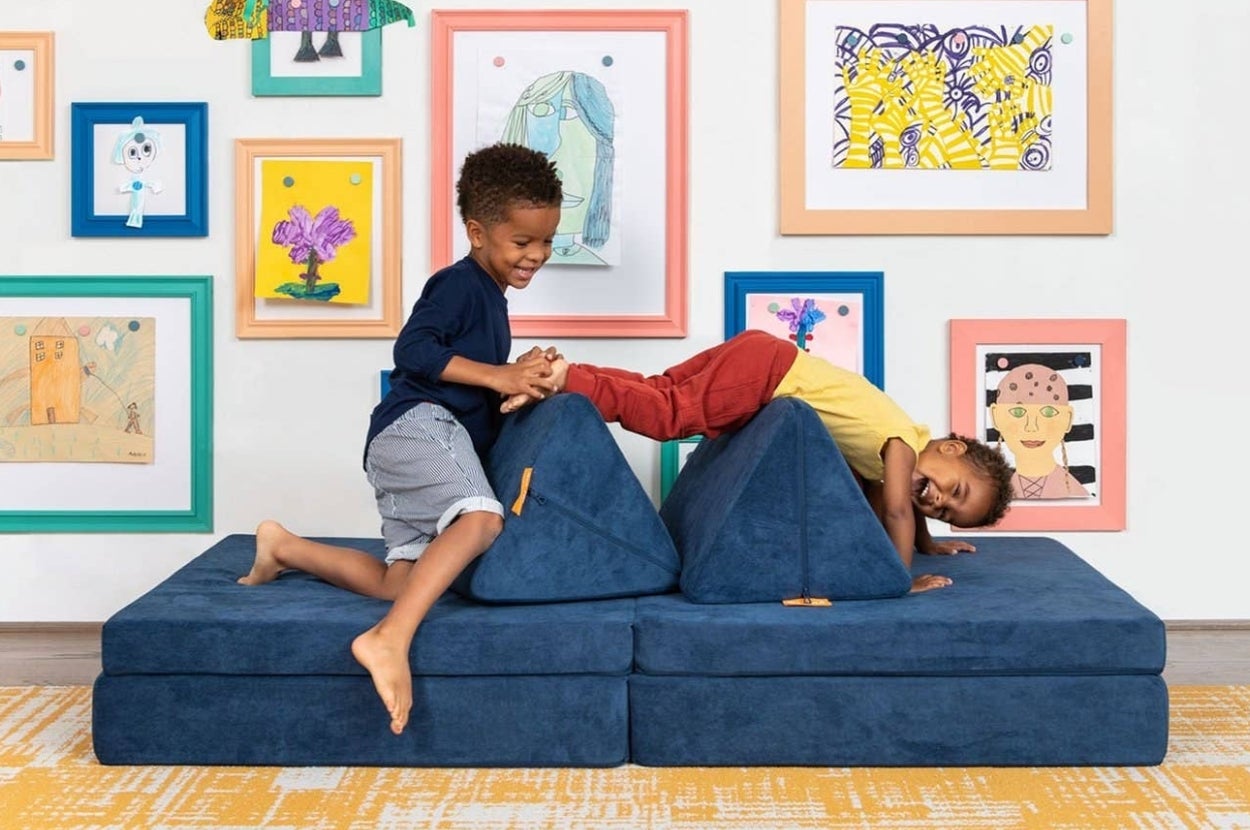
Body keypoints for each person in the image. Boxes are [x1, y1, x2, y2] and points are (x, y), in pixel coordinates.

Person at [237, 143, 564, 736]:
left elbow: (467, 380)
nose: (536, 255)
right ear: (477, 233)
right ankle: (389, 640)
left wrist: (516, 377)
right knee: (481, 520)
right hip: (418, 426)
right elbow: (413, 351)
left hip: (405, 440)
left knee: (402, 582)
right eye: (522, 241)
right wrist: (498, 375)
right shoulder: (459, 284)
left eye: (547, 241)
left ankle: (284, 547)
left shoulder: (491, 299)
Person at [503, 329, 1014, 593]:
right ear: (951, 448)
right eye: (955, 490)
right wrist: (899, 580)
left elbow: (905, 507)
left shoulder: (899, 450)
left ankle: (565, 369)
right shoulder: (900, 444)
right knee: (672, 415)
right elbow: (898, 509)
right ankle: (568, 381)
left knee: (662, 389)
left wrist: (930, 544)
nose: (937, 500)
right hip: (769, 371)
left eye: (945, 511)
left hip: (765, 355)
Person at [990, 362, 1091, 500]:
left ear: (1067, 419)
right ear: (996, 417)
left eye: (1048, 412)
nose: (1032, 427)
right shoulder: (996, 493)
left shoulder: (1078, 495)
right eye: (1018, 412)